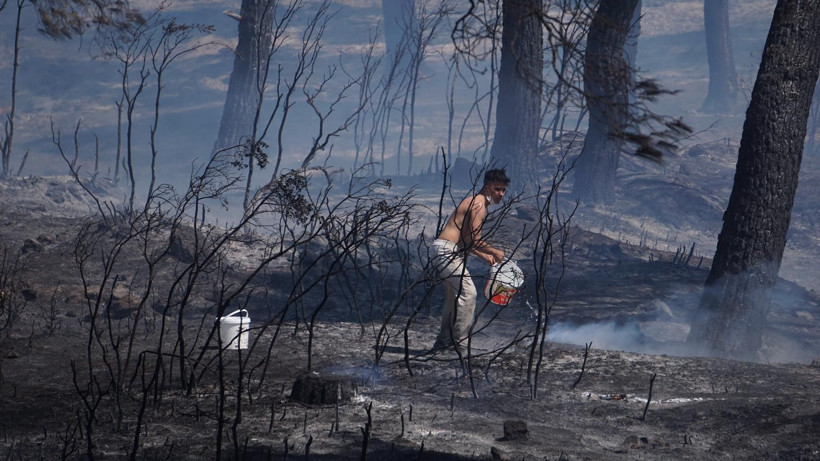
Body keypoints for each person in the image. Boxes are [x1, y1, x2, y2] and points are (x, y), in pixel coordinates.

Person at [431, 168, 509, 353]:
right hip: (446, 250)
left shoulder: (477, 202)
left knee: (453, 298)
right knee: (469, 293)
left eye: (503, 190)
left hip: (447, 250)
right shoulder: (479, 204)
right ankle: (459, 344)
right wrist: (495, 252)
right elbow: (475, 240)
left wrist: (486, 256)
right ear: (487, 186)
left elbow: (466, 239)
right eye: (497, 189)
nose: (500, 194)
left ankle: (443, 342)